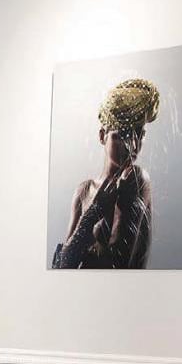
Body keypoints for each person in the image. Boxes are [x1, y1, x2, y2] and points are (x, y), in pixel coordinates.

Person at [53, 78, 159, 269]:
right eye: (124, 134)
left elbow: (119, 264)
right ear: (102, 136)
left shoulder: (137, 179)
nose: (133, 145)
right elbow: (62, 265)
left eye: (139, 134)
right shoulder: (84, 191)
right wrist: (94, 213)